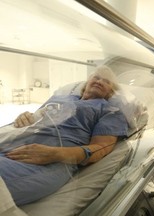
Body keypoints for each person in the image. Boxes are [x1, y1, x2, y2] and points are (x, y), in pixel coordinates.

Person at [0, 65, 128, 206]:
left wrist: (55, 154)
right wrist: (25, 117)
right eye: (96, 77)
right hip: (14, 144)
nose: (99, 81)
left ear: (111, 91)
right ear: (87, 82)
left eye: (106, 81)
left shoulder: (110, 110)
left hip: (49, 162)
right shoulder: (62, 98)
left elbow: (101, 147)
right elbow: (37, 116)